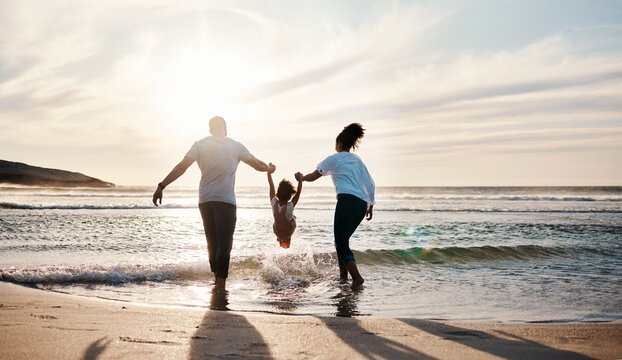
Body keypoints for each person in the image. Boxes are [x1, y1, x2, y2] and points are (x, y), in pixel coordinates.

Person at [152, 116, 274, 292]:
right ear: (225, 128)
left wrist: (161, 185)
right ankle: (220, 283)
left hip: (205, 200)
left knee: (212, 242)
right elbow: (257, 165)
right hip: (226, 201)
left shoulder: (200, 145)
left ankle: (217, 279)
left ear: (210, 130)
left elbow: (181, 167)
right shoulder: (235, 145)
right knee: (225, 243)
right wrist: (269, 168)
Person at [295, 123, 375, 290]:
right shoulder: (357, 160)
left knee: (341, 243)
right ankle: (343, 278)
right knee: (342, 241)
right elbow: (370, 183)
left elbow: (315, 175)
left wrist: (301, 178)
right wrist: (371, 205)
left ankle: (357, 277)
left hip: (347, 202)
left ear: (339, 143)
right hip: (361, 205)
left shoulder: (334, 158)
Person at [267, 164, 302, 249]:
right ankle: (286, 239)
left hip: (277, 231)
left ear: (276, 194)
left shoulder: (274, 202)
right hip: (288, 231)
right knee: (293, 217)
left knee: (279, 220)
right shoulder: (290, 206)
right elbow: (298, 193)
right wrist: (300, 180)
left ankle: (280, 238)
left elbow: (271, 186)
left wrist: (269, 173)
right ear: (290, 197)